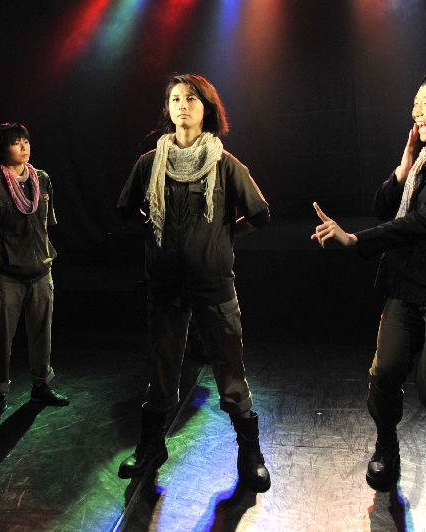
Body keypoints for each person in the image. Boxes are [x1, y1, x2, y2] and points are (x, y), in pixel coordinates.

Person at [312, 66, 426, 493]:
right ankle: (386, 445)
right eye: (414, 103)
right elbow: (384, 207)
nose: (415, 111)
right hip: (405, 286)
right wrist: (404, 165)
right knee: (384, 374)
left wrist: (355, 240)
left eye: (425, 102)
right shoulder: (423, 161)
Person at [116, 74, 271, 492]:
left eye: (191, 98)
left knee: (230, 368)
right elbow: (126, 210)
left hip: (212, 283)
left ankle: (250, 452)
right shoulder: (149, 163)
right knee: (162, 367)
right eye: (175, 99)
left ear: (207, 109)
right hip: (165, 284)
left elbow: (260, 215)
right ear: (168, 108)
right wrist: (155, 232)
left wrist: (223, 235)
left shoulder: (225, 163)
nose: (182, 105)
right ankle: (152, 445)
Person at [0, 123, 69, 424]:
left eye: (26, 140)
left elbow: (47, 223)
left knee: (42, 333)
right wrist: (0, 259)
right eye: (16, 142)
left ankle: (41, 387)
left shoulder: (42, 178)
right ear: (2, 149)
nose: (24, 147)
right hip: (6, 275)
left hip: (40, 271)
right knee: (2, 338)